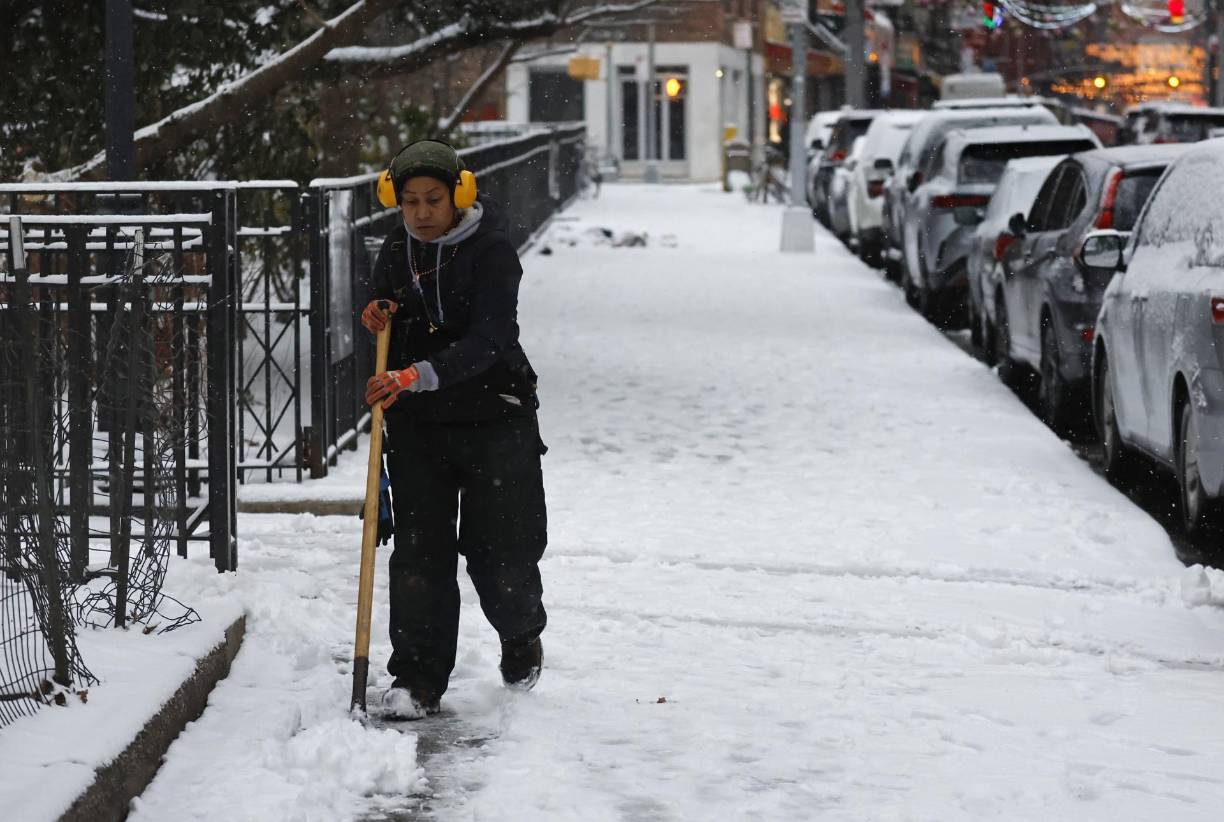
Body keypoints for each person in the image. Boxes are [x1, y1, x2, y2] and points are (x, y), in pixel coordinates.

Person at [361, 139, 548, 720]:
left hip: (496, 417)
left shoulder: (492, 251)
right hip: (420, 426)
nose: (420, 213)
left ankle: (520, 636)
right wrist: (378, 310)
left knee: (501, 554)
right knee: (420, 553)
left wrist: (421, 372)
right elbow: (388, 300)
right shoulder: (397, 249)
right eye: (409, 201)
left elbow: (491, 339)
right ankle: (416, 679)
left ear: (459, 195)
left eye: (433, 200)